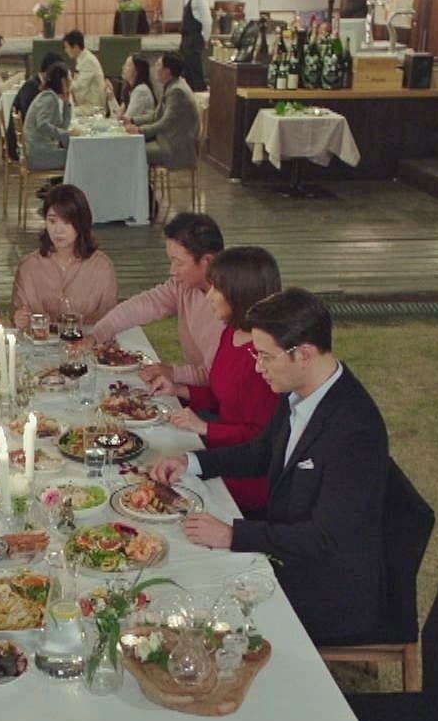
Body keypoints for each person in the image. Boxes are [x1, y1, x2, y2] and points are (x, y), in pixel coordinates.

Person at [147, 288, 389, 644]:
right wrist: (191, 462)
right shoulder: (298, 391)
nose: (258, 368)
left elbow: (326, 538)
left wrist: (233, 535)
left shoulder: (354, 430)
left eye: (265, 357)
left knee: (186, 602)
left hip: (324, 588)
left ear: (303, 354)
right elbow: (262, 452)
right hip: (286, 549)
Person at [146, 247, 281, 516]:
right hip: (215, 451)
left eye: (216, 289)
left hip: (244, 475)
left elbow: (260, 439)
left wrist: (205, 427)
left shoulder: (263, 357)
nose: (208, 297)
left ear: (240, 293)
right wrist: (179, 389)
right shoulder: (231, 332)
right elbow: (222, 395)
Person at [88, 212, 225, 388]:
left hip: (216, 397)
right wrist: (96, 335)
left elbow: (215, 376)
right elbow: (144, 305)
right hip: (197, 389)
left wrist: (174, 373)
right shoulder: (183, 286)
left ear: (207, 261)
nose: (172, 271)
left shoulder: (229, 305)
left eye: (178, 262)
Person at [10, 184, 119, 331]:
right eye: (52, 221)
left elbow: (110, 320)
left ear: (81, 223)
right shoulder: (28, 267)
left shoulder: (102, 267)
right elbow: (17, 315)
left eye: (67, 222)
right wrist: (18, 318)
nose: (58, 230)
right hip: (40, 342)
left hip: (87, 341)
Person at [123, 52, 198, 169]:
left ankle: (139, 181)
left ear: (167, 71)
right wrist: (132, 120)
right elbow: (155, 115)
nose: (155, 68)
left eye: (158, 65)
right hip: (166, 141)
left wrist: (140, 130)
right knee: (131, 146)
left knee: (131, 150)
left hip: (175, 148)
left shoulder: (177, 91)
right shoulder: (171, 85)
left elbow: (165, 123)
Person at [7, 50, 66, 163]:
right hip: (25, 146)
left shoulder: (42, 88)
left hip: (30, 143)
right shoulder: (33, 86)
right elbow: (36, 120)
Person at [24, 63, 72, 172]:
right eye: (68, 78)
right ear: (62, 81)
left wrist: (66, 103)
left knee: (73, 153)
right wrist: (66, 135)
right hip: (38, 154)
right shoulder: (49, 98)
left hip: (40, 150)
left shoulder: (50, 96)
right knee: (77, 156)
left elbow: (63, 127)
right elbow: (42, 125)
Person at [177, 0, 212, 90]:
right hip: (186, 40)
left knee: (195, 76)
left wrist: (205, 39)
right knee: (186, 76)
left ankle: (199, 98)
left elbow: (207, 20)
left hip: (193, 40)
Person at [63, 30, 108, 112]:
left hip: (93, 107)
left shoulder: (88, 61)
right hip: (84, 104)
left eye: (66, 47)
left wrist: (64, 83)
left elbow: (79, 85)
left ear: (75, 47)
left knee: (65, 112)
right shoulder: (82, 58)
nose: (65, 50)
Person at [122, 55, 158, 124]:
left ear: (137, 70)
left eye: (128, 65)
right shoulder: (131, 89)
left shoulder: (141, 90)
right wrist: (111, 98)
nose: (123, 67)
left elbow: (127, 119)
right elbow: (118, 116)